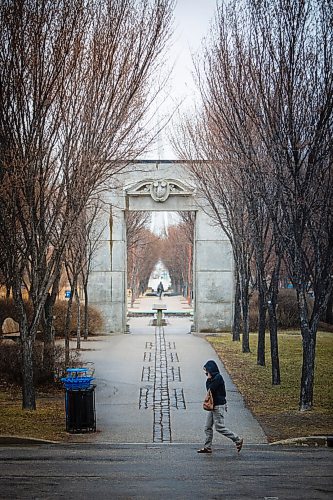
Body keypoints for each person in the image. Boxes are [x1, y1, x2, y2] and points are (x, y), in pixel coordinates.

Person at [197, 359, 243, 454]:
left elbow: (211, 389)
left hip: (218, 406)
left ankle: (237, 439)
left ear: (211, 370)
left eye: (207, 371)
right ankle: (207, 447)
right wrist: (209, 379)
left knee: (219, 427)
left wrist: (209, 378)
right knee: (207, 427)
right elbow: (208, 389)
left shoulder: (218, 378)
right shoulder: (212, 379)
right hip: (213, 406)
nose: (206, 373)